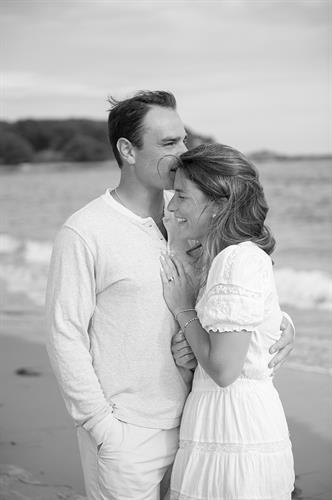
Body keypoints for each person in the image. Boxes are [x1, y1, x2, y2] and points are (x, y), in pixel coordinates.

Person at [46, 90, 295, 500]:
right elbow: (64, 334)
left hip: (199, 425)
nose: (181, 154)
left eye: (183, 140)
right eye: (167, 143)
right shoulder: (86, 231)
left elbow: (235, 293)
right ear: (127, 149)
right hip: (129, 435)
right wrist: (102, 426)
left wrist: (283, 325)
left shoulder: (189, 217)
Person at [160, 143, 295, 500]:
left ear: (219, 206)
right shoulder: (227, 257)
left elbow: (223, 370)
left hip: (235, 427)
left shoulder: (236, 260)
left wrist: (183, 310)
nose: (171, 206)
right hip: (224, 421)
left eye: (182, 196)